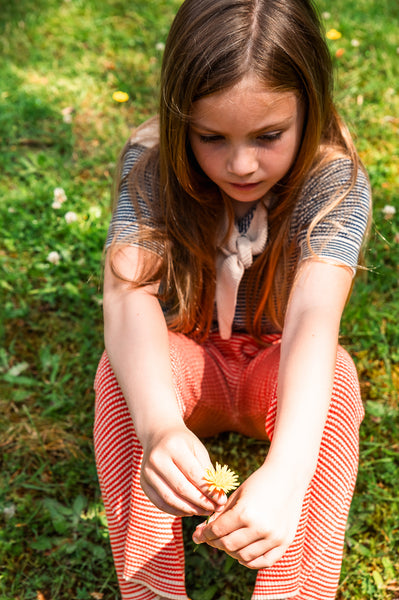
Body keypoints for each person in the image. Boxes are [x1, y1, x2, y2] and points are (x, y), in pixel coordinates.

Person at [94, 0, 372, 598]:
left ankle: (293, 590)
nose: (241, 164)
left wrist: (291, 473)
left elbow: (311, 327)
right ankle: (151, 588)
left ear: (311, 107)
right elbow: (127, 297)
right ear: (179, 121)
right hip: (185, 365)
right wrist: (160, 426)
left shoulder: (335, 182)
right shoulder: (150, 166)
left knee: (339, 379)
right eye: (211, 137)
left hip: (275, 372)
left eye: (269, 136)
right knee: (120, 377)